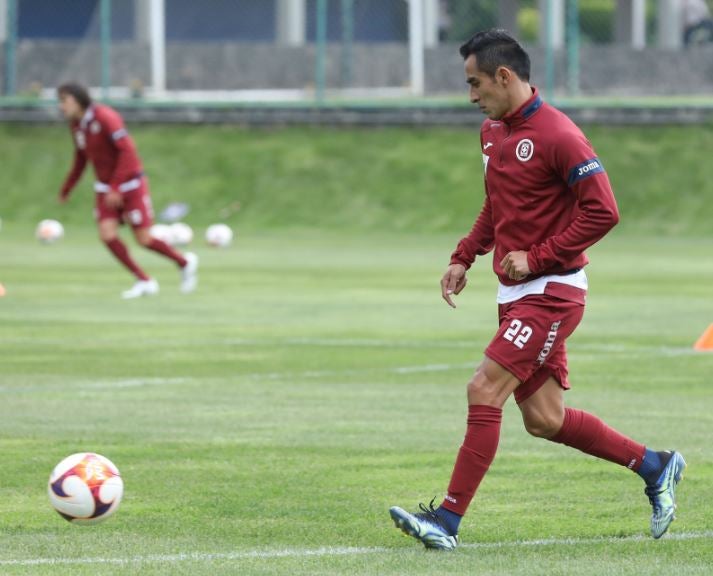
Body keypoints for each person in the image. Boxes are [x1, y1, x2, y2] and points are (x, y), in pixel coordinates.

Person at [388, 29, 685, 550]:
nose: (471, 94)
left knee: (484, 388)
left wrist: (540, 257)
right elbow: (497, 205)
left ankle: (447, 522)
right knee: (544, 420)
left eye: (475, 82)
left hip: (553, 293)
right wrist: (464, 257)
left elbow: (604, 211)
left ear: (505, 76)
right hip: (515, 294)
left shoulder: (559, 134)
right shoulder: (491, 132)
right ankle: (656, 466)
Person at [57, 83, 198, 299]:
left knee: (143, 239)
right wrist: (67, 187)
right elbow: (81, 157)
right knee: (107, 235)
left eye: (64, 101)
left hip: (130, 185)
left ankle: (185, 263)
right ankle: (144, 280)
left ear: (78, 99)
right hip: (105, 188)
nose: (61, 106)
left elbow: (128, 151)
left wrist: (116, 186)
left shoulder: (105, 117)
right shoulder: (77, 125)